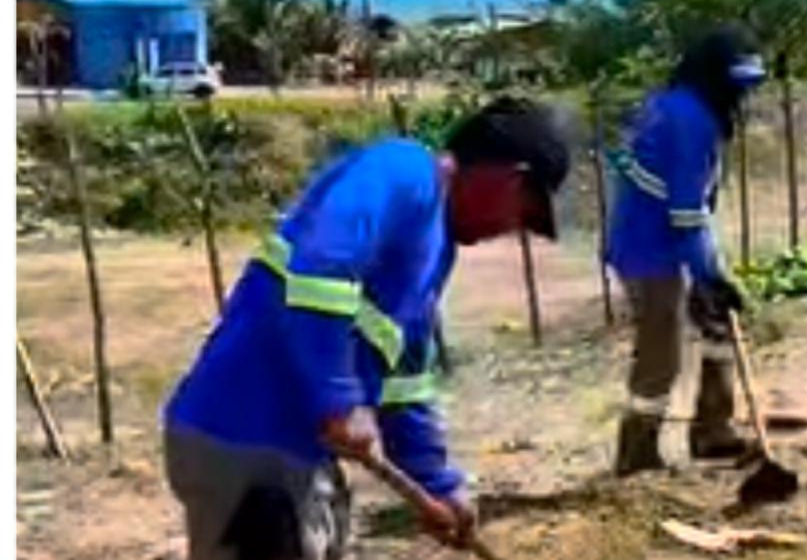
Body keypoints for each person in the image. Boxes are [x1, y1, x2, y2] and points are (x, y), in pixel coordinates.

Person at [163, 97, 574, 559]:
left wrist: (437, 482)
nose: (510, 229)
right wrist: (340, 395)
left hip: (295, 456)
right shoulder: (403, 172)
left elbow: (406, 384)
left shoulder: (434, 255)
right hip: (246, 437)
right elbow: (321, 269)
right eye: (523, 214)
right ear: (508, 179)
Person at [606, 26, 767, 475]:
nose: (742, 97)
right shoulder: (692, 121)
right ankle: (636, 454)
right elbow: (684, 214)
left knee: (718, 324)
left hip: (658, 240)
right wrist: (711, 275)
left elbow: (690, 208)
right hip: (649, 250)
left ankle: (713, 432)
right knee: (662, 352)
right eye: (737, 86)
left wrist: (710, 273)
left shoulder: (670, 105)